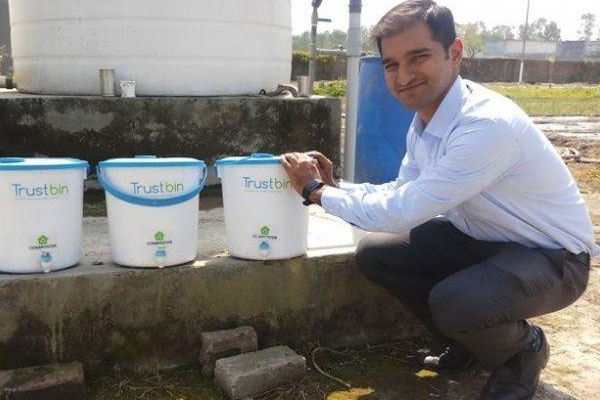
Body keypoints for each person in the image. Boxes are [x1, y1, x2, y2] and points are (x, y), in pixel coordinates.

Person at [281, 1, 597, 399]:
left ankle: (522, 354)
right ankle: (465, 343)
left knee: (456, 302)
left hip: (554, 257)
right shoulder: (426, 121)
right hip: (485, 238)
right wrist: (336, 187)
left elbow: (401, 212)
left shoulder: (484, 126)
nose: (403, 76)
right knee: (378, 254)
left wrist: (315, 191)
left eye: (419, 57)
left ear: (455, 52)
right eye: (391, 64)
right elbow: (403, 190)